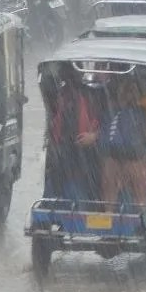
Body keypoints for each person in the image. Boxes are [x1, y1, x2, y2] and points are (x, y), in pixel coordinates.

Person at [100, 78, 146, 207]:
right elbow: (104, 139)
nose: (129, 95)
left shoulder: (143, 112)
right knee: (110, 182)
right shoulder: (110, 112)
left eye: (132, 91)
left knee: (140, 185)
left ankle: (141, 214)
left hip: (135, 157)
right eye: (126, 91)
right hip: (113, 157)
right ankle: (109, 214)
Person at [48, 63, 102, 201]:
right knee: (58, 190)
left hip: (83, 153)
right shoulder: (61, 95)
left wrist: (94, 136)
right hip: (65, 153)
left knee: (75, 192)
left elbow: (101, 123)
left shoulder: (90, 95)